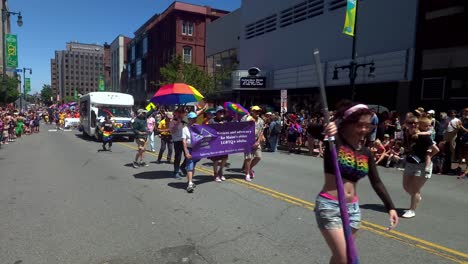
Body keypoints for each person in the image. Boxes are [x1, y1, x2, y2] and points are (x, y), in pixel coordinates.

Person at [315, 102, 398, 264]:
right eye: (360, 125)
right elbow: (312, 129)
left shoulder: (366, 152)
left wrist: (391, 207)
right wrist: (329, 127)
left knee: (342, 257)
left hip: (353, 209)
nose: (364, 130)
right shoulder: (334, 141)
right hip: (330, 206)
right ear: (347, 123)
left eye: (368, 126)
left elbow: (377, 182)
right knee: (345, 257)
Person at [401, 115, 439, 218]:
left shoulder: (423, 136)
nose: (413, 125)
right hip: (410, 163)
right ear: (406, 124)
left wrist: (429, 156)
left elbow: (436, 149)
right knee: (406, 186)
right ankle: (416, 197)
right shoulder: (406, 133)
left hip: (421, 165)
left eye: (415, 123)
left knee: (414, 189)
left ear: (418, 124)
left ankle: (412, 210)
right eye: (410, 123)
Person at [243, 106, 265, 182]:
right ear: (252, 111)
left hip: (256, 141)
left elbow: (261, 131)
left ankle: (249, 169)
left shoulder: (261, 121)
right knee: (248, 158)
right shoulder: (246, 118)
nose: (257, 112)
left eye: (258, 111)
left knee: (258, 157)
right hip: (247, 141)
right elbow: (240, 126)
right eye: (255, 111)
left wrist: (258, 141)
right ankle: (247, 174)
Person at [208, 106, 229, 182]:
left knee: (224, 158)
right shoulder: (211, 121)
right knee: (216, 160)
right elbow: (209, 131)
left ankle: (221, 172)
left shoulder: (225, 121)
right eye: (220, 112)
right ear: (216, 113)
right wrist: (218, 125)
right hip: (215, 143)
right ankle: (215, 174)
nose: (221, 113)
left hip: (223, 143)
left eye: (222, 112)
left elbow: (229, 131)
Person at [182, 112, 200, 193]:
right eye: (192, 119)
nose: (194, 120)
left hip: (196, 150)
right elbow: (184, 141)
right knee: (190, 165)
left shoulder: (198, 127)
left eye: (195, 118)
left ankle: (190, 181)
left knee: (193, 166)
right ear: (189, 120)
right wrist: (186, 153)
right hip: (189, 149)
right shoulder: (185, 129)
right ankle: (189, 184)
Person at [170, 108, 187, 179]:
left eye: (182, 112)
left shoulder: (185, 122)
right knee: (178, 157)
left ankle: (183, 166)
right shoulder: (172, 122)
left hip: (185, 141)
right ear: (175, 113)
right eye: (179, 112)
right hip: (177, 141)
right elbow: (172, 131)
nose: (181, 114)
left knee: (188, 155)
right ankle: (176, 172)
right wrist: (177, 123)